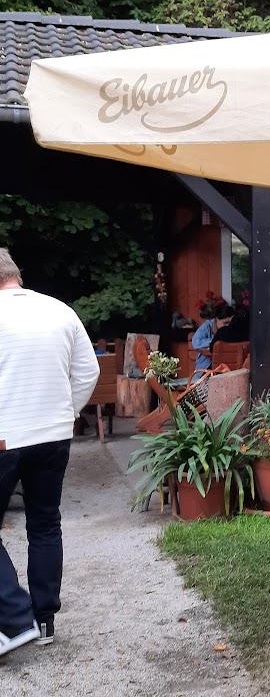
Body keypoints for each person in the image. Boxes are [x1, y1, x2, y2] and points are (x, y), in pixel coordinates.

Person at [0, 247, 100, 656]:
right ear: (15, 274)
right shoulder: (60, 311)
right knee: (44, 524)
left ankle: (15, 617)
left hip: (5, 436)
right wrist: (67, 413)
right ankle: (43, 620)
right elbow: (88, 370)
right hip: (53, 435)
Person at [190, 297, 233, 377]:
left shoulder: (231, 328)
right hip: (205, 368)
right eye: (225, 323)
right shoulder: (207, 326)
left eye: (230, 323)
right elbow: (195, 342)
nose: (228, 326)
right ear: (216, 319)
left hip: (226, 367)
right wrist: (215, 341)